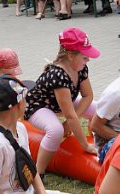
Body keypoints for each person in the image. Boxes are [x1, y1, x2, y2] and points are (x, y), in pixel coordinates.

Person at [24, 27, 99, 176]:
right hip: (39, 106)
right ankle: (38, 172)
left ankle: (99, 142)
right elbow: (69, 115)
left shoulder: (81, 68)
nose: (88, 60)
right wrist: (84, 145)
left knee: (99, 109)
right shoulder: (57, 74)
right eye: (84, 57)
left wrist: (71, 121)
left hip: (60, 103)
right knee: (55, 130)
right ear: (71, 56)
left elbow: (88, 96)